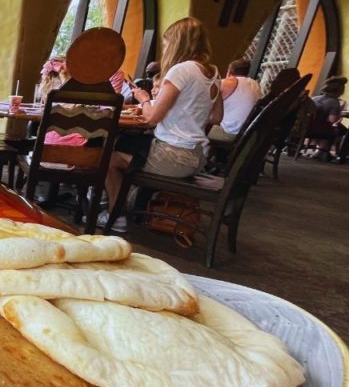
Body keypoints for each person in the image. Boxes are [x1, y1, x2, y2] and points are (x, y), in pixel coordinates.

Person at [99, 17, 224, 233]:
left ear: (178, 43)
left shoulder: (181, 70)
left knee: (108, 157)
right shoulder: (213, 72)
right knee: (125, 143)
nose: (165, 48)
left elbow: (152, 118)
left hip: (173, 157)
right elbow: (216, 117)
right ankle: (121, 201)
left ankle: (115, 214)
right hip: (197, 155)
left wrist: (144, 99)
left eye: (167, 44)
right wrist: (186, 116)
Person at [208, 59, 262, 142]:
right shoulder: (254, 84)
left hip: (231, 133)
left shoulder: (225, 83)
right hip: (248, 132)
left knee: (200, 130)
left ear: (229, 71)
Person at [308, 76, 348, 160]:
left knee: (333, 127)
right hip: (318, 130)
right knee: (342, 130)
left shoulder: (314, 98)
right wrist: (340, 110)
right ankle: (322, 151)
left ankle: (320, 151)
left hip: (306, 127)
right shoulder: (334, 102)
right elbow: (332, 120)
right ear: (340, 91)